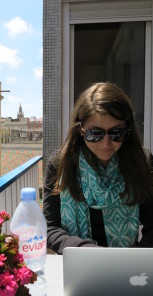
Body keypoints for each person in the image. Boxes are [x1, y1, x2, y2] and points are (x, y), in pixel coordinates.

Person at [43, 82, 153, 254]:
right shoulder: (60, 164)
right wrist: (84, 250)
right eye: (95, 133)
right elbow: (50, 228)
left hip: (129, 267)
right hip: (79, 263)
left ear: (128, 129)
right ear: (80, 130)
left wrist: (136, 257)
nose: (106, 143)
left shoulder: (142, 163)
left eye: (117, 133)